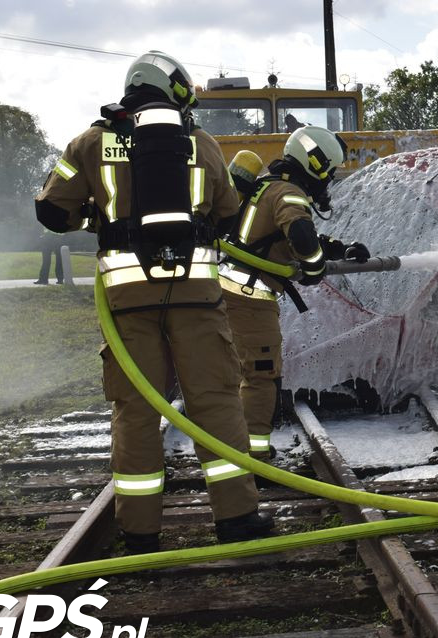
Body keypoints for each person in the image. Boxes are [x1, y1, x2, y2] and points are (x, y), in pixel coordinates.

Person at [34, 50, 272, 553]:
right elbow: (228, 216)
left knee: (136, 409)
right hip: (198, 296)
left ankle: (140, 531)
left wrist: (99, 222)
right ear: (174, 89)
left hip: (125, 300)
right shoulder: (203, 144)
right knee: (215, 400)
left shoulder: (88, 143)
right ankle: (237, 518)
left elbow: (52, 212)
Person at [219, 129, 368, 461]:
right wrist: (315, 267)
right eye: (328, 172)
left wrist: (340, 250)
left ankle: (237, 446)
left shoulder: (269, 187)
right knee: (261, 375)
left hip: (230, 288)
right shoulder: (288, 193)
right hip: (250, 295)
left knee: (236, 373)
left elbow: (288, 237)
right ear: (314, 164)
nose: (328, 180)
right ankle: (252, 456)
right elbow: (300, 235)